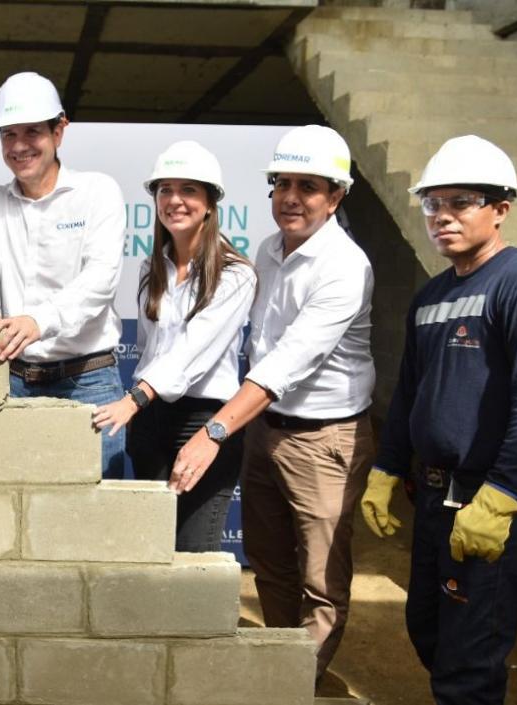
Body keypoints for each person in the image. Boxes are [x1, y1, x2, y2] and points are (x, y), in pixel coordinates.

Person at [360, 136, 517, 705]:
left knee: (468, 667)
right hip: (435, 499)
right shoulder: (432, 296)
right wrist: (385, 469)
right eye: (432, 203)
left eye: (462, 201)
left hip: (491, 504)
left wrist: (501, 495)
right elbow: (410, 391)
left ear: (501, 208)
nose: (442, 216)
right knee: (429, 633)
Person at [170, 125, 375, 678]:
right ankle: (283, 664)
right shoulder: (268, 248)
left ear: (336, 197)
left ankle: (294, 681)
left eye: (308, 186)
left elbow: (285, 364)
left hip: (323, 438)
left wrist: (215, 430)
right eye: (282, 183)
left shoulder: (344, 266)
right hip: (266, 430)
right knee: (269, 562)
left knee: (320, 576)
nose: (290, 196)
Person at [91, 141, 255, 551]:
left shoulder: (236, 275)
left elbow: (192, 353)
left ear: (210, 203)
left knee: (193, 554)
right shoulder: (152, 267)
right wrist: (142, 407)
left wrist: (135, 397)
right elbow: (149, 350)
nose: (175, 200)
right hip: (151, 421)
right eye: (165, 190)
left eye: (189, 190)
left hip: (201, 420)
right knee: (149, 547)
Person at [0, 71, 127, 478]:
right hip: (11, 381)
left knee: (91, 515)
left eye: (32, 132)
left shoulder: (98, 192)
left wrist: (40, 320)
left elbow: (101, 279)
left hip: (88, 382)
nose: (19, 146)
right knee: (10, 516)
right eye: (8, 134)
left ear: (60, 131)